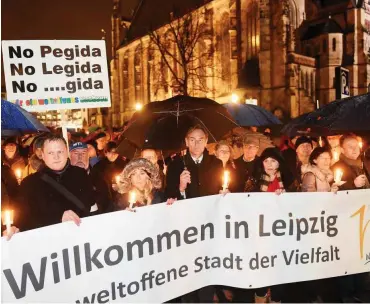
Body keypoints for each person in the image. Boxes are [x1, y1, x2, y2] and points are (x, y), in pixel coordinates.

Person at [165, 125, 223, 302]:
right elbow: (169, 196)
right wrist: (181, 188)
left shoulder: (216, 163)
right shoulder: (176, 165)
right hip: (186, 228)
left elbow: (223, 189)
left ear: (206, 141)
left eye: (200, 140)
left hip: (209, 225)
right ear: (186, 141)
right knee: (188, 271)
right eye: (192, 140)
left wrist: (224, 193)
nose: (196, 144)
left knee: (206, 270)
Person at [3, 134, 97, 237]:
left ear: (66, 152)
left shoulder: (81, 175)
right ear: (42, 155)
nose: (56, 157)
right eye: (50, 153)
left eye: (59, 152)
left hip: (80, 240)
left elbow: (93, 209)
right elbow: (24, 219)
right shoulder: (30, 184)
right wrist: (14, 229)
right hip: (49, 245)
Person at [244, 148, 299, 302]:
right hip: (260, 236)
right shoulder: (253, 180)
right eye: (266, 160)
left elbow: (298, 205)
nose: (269, 164)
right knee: (261, 276)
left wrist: (286, 198)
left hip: (281, 236)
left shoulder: (289, 182)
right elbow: (244, 203)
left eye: (273, 161)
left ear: (279, 164)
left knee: (278, 277)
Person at [90, 141, 128, 213]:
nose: (113, 155)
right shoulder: (98, 167)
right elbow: (93, 183)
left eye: (115, 152)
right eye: (110, 152)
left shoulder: (124, 165)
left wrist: (121, 186)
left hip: (120, 199)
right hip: (104, 201)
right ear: (105, 153)